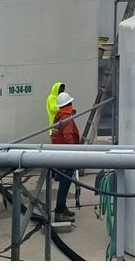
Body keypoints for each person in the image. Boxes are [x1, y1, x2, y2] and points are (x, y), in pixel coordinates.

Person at [50, 90, 80, 226]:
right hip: (66, 155)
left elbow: (55, 136)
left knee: (64, 183)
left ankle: (62, 207)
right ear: (69, 104)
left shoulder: (58, 117)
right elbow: (68, 136)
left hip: (58, 154)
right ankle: (59, 212)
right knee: (64, 184)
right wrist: (74, 152)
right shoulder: (67, 119)